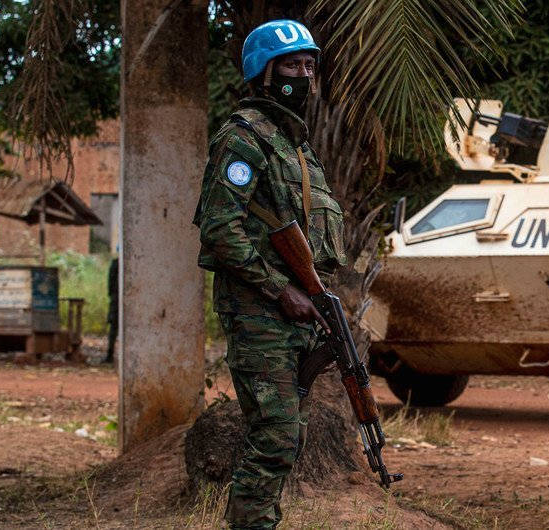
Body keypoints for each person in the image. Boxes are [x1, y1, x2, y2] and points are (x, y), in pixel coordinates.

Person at [192, 19, 346, 529]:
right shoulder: (243, 139)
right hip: (260, 313)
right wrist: (280, 290)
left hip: (298, 311)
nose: (304, 75)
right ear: (264, 72)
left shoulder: (297, 147)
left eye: (309, 66)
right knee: (276, 433)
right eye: (291, 65)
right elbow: (219, 227)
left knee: (287, 434)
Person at [105, 252, 119, 363]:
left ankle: (110, 354)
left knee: (113, 328)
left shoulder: (115, 263)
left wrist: (112, 295)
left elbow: (110, 283)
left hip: (116, 299)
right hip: (118, 299)